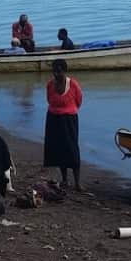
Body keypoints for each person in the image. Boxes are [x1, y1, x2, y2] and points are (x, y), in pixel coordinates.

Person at [43, 58, 83, 190]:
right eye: (55, 72)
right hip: (54, 118)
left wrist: (67, 110)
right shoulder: (50, 85)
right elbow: (49, 100)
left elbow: (78, 101)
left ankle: (77, 182)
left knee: (72, 149)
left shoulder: (73, 85)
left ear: (64, 71)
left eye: (59, 72)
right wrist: (58, 110)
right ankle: (65, 179)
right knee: (59, 149)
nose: (57, 74)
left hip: (69, 119)